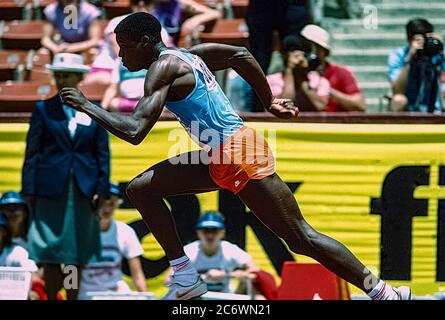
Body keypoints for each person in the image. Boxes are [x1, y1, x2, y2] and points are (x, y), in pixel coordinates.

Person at [60, 12, 410, 300]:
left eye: (124, 47)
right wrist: (269, 101)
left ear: (146, 41)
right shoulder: (190, 53)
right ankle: (184, 275)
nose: (121, 57)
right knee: (140, 189)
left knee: (300, 237)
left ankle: (382, 294)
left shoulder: (161, 69)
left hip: (238, 153)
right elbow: (241, 56)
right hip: (221, 154)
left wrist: (87, 105)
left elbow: (135, 132)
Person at [22, 53, 110, 300]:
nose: (62, 80)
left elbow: (102, 153)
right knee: (51, 252)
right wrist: (28, 191)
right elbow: (32, 153)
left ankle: (72, 297)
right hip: (50, 190)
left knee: (76, 253)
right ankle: (52, 296)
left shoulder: (94, 109)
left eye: (67, 75)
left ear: (79, 78)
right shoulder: (42, 109)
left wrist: (102, 190)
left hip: (84, 189)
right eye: (58, 75)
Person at [78, 183, 147, 300]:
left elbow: (137, 274)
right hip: (87, 294)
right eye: (102, 204)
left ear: (117, 205)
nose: (107, 209)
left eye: (111, 204)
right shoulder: (78, 232)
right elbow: (70, 271)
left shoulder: (125, 231)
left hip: (117, 293)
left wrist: (145, 295)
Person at [85, 0, 174, 85]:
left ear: (153, 4)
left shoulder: (161, 30)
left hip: (138, 73)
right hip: (108, 69)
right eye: (136, 0)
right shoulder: (117, 23)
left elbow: (164, 57)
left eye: (147, 1)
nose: (141, 4)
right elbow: (121, 55)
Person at [178, 212, 259, 295]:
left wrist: (229, 275)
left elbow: (256, 271)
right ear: (198, 232)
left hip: (226, 298)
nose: (210, 235)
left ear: (222, 232)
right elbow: (170, 279)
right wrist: (203, 278)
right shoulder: (189, 250)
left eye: (214, 230)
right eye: (206, 231)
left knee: (255, 292)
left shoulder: (230, 249)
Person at [301, 24, 366, 112]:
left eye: (316, 48)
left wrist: (327, 91)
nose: (311, 53)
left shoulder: (340, 73)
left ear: (324, 51)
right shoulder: (293, 75)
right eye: (306, 48)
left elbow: (360, 105)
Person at [387, 18, 444, 112]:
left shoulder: (438, 53)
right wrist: (409, 59)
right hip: (408, 107)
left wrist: (441, 49)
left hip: (437, 105)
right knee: (398, 100)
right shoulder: (399, 55)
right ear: (409, 40)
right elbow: (397, 90)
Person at [268, 34, 330, 111]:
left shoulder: (319, 80)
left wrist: (302, 78)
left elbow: (320, 106)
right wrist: (289, 70)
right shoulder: (272, 80)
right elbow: (282, 109)